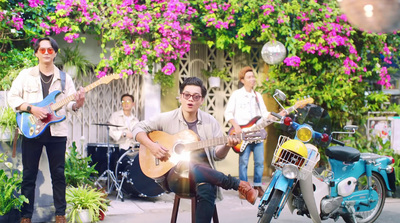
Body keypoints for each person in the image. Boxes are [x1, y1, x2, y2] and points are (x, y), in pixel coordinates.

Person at [132, 77, 258, 223]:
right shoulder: (167, 118)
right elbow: (137, 128)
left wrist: (227, 145)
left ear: (202, 100)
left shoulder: (210, 122)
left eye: (196, 96)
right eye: (187, 95)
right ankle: (238, 184)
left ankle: (237, 185)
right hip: (174, 177)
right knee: (187, 163)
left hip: (203, 176)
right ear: (180, 97)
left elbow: (217, 156)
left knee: (207, 189)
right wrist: (152, 146)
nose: (190, 99)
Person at [8, 37, 85, 223]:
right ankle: (25, 216)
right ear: (36, 53)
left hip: (57, 132)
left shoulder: (65, 79)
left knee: (58, 175)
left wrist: (78, 103)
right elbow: (12, 98)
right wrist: (31, 108)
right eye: (42, 50)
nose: (46, 53)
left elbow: (70, 105)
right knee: (28, 175)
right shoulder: (26, 75)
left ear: (55, 53)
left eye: (50, 50)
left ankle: (60, 215)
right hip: (32, 129)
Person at [224, 66, 270, 198]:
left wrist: (274, 116)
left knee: (259, 161)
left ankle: (257, 186)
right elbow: (228, 113)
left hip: (257, 134)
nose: (252, 79)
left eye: (253, 77)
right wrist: (236, 126)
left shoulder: (257, 96)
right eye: (249, 77)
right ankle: (243, 188)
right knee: (243, 162)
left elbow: (264, 113)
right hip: (243, 134)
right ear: (242, 80)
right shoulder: (236, 95)